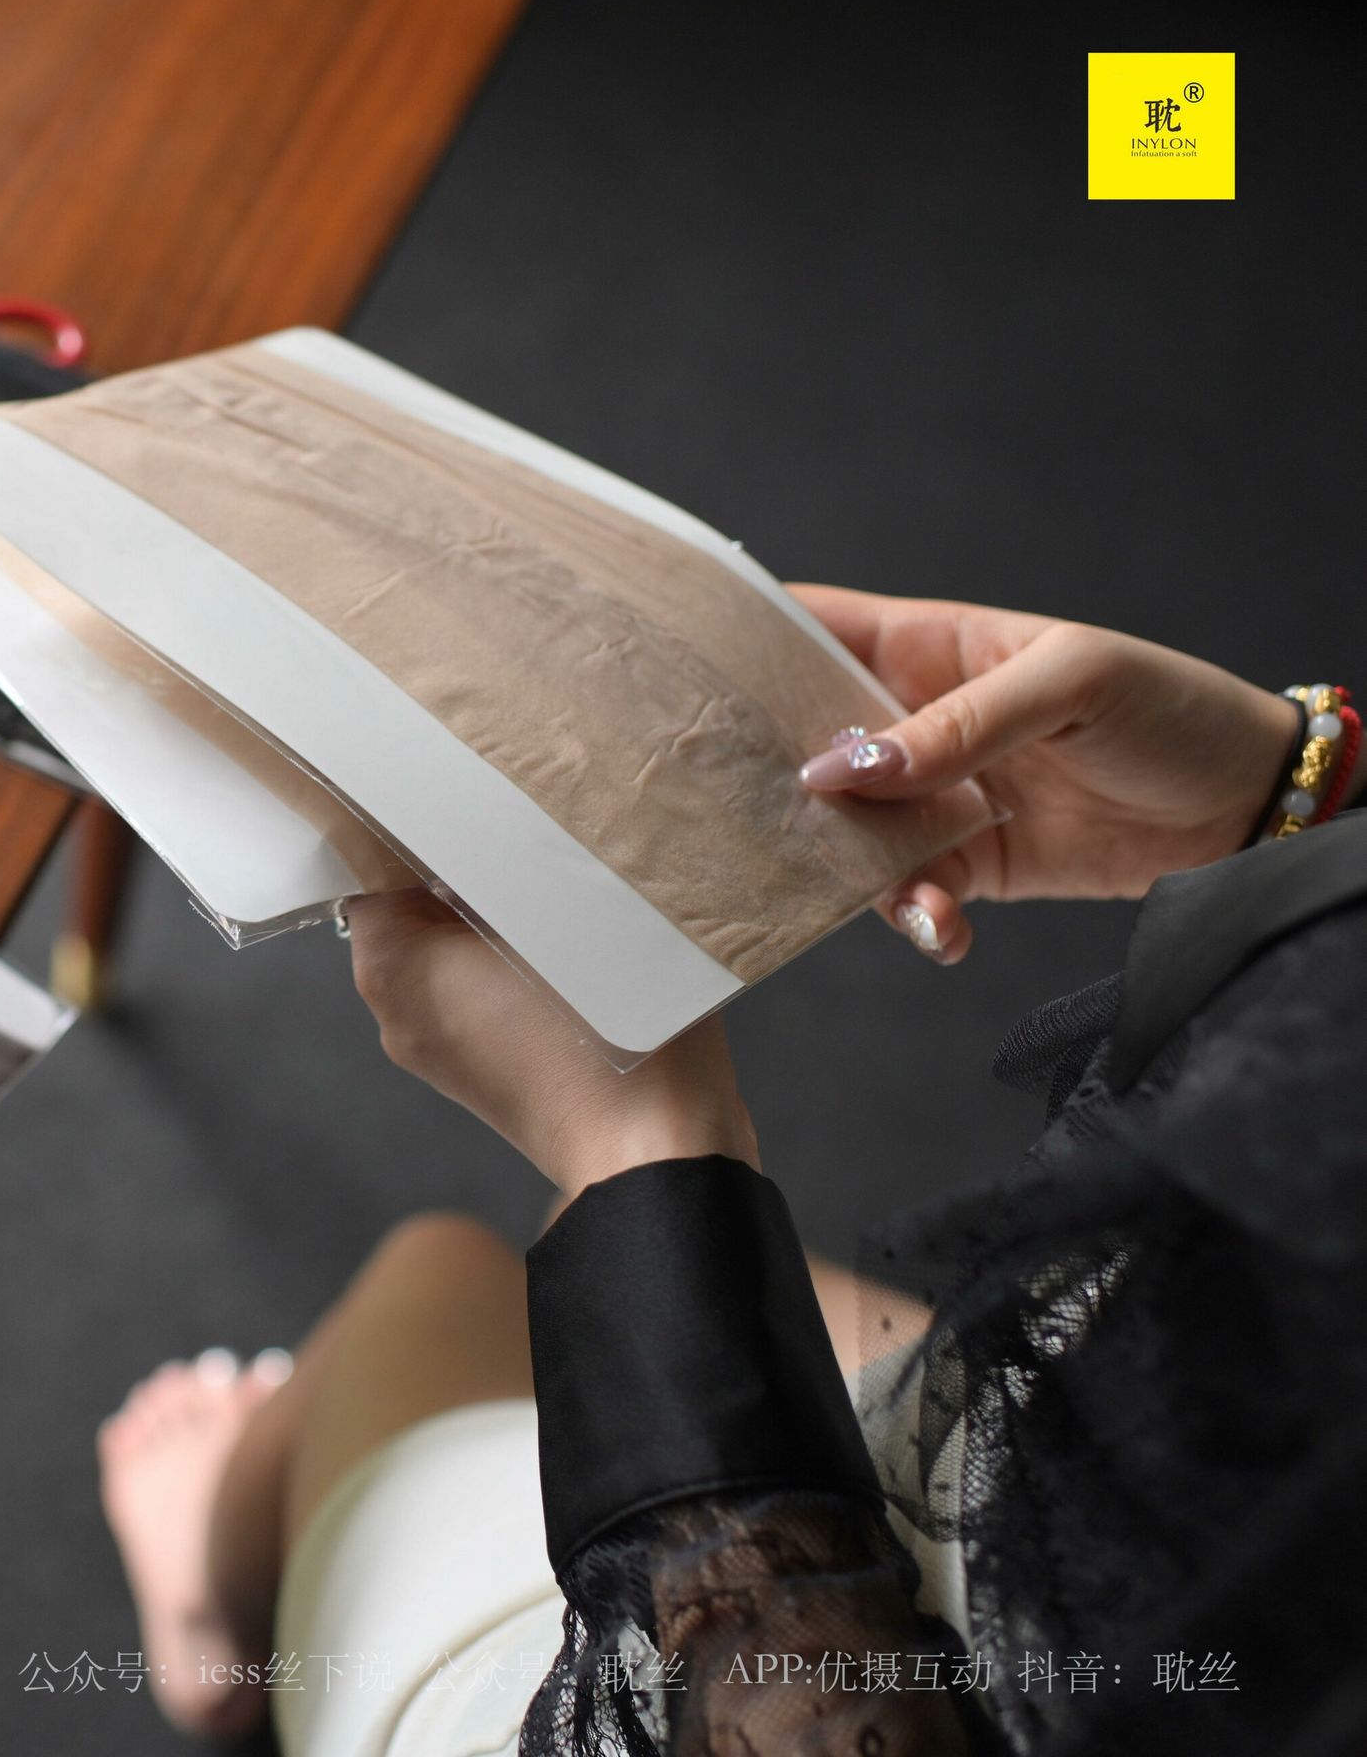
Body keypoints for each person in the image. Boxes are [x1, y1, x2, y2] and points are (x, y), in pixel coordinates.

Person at [97, 586, 1367, 1756]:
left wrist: (641, 1154)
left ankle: (216, 1638)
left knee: (434, 1278)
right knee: (646, 1287)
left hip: (797, 1674)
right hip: (1096, 1434)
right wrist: (1296, 796)